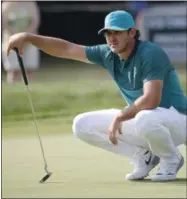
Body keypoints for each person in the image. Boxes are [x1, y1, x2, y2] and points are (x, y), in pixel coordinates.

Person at [6, 10, 186, 181]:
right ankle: (144, 156)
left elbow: (151, 100)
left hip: (177, 119)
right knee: (82, 125)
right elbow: (67, 49)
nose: (112, 38)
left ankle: (171, 159)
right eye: (108, 33)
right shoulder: (108, 54)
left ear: (132, 33)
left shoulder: (150, 53)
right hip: (146, 120)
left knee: (145, 117)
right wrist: (28, 38)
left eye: (117, 32)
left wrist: (121, 117)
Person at [2, 1, 40, 83]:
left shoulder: (31, 4)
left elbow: (35, 21)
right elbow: (5, 24)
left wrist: (25, 36)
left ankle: (29, 92)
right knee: (14, 70)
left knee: (30, 69)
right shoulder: (6, 5)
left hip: (30, 42)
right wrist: (16, 36)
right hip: (11, 42)